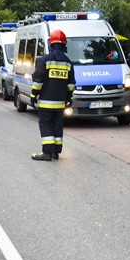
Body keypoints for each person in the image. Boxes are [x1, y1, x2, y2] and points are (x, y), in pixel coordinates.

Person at [30, 29, 75, 161]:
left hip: (46, 102)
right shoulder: (68, 62)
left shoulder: (45, 60)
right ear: (64, 45)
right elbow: (71, 84)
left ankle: (47, 153)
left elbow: (38, 80)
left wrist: (33, 95)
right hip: (60, 103)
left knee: (45, 124)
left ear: (51, 44)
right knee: (57, 125)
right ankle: (55, 152)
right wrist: (69, 98)